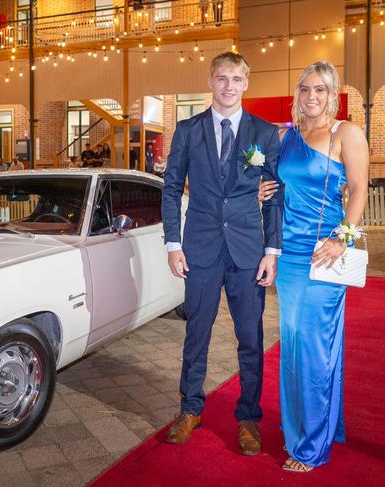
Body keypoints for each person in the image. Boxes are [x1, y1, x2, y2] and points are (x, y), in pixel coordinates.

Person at [161, 51, 282, 455]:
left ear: (246, 83)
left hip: (249, 252)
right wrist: (173, 244)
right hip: (201, 249)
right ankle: (190, 408)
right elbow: (172, 187)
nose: (229, 86)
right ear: (210, 82)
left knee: (250, 338)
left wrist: (271, 250)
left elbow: (275, 197)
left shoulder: (264, 134)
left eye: (236, 79)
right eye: (222, 78)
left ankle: (248, 417)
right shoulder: (187, 130)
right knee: (197, 333)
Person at [259, 61, 369, 472]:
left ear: (332, 93)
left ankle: (311, 446)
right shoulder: (288, 137)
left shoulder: (347, 133)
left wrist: (342, 238)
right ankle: (314, 426)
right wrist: (262, 192)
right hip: (288, 255)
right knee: (294, 346)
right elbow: (280, 191)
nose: (311, 96)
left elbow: (358, 189)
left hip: (325, 253)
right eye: (304, 89)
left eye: (319, 90)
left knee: (314, 349)